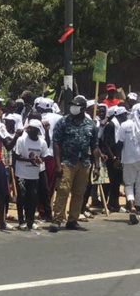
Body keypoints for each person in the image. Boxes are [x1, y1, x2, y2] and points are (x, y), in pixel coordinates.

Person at [50, 95, 104, 232]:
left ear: (83, 108)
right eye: (72, 105)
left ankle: (73, 220)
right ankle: (57, 219)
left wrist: (97, 167)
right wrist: (57, 164)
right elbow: (56, 143)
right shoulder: (64, 122)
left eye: (76, 105)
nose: (73, 107)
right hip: (67, 161)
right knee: (63, 190)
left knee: (79, 192)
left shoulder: (90, 124)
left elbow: (95, 146)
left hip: (84, 162)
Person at [13, 120, 48, 230]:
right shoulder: (21, 140)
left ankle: (30, 220)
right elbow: (16, 156)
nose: (29, 129)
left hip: (34, 175)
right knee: (22, 196)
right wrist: (29, 160)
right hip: (22, 174)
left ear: (37, 130)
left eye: (32, 128)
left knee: (33, 198)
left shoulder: (42, 142)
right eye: (29, 127)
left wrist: (39, 159)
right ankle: (21, 221)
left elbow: (45, 156)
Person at [115, 104, 140, 224]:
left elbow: (120, 143)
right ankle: (138, 208)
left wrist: (116, 158)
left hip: (129, 159)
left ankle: (132, 207)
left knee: (129, 184)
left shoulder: (125, 125)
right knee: (139, 184)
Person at [103, 106, 128, 212]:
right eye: (125, 115)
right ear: (121, 115)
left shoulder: (120, 126)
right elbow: (106, 143)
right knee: (111, 181)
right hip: (111, 158)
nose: (126, 116)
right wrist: (113, 157)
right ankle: (107, 203)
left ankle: (115, 203)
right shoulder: (111, 125)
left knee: (117, 181)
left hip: (117, 157)